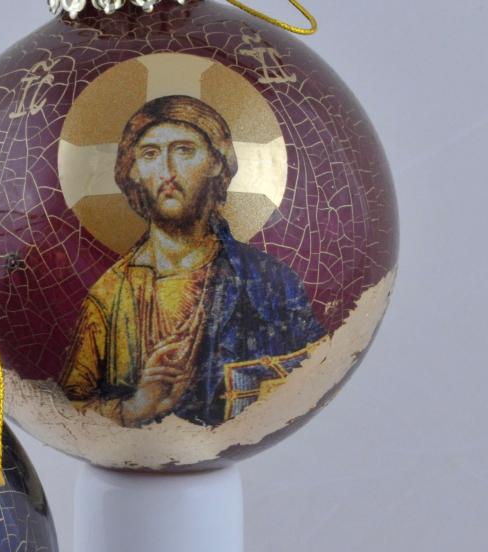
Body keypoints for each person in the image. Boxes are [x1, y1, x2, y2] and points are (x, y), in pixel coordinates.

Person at [60, 95, 326, 427]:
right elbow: (66, 407)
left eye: (184, 150)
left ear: (217, 162)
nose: (167, 171)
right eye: (150, 154)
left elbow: (317, 367)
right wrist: (135, 407)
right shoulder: (110, 297)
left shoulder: (269, 281)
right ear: (134, 171)